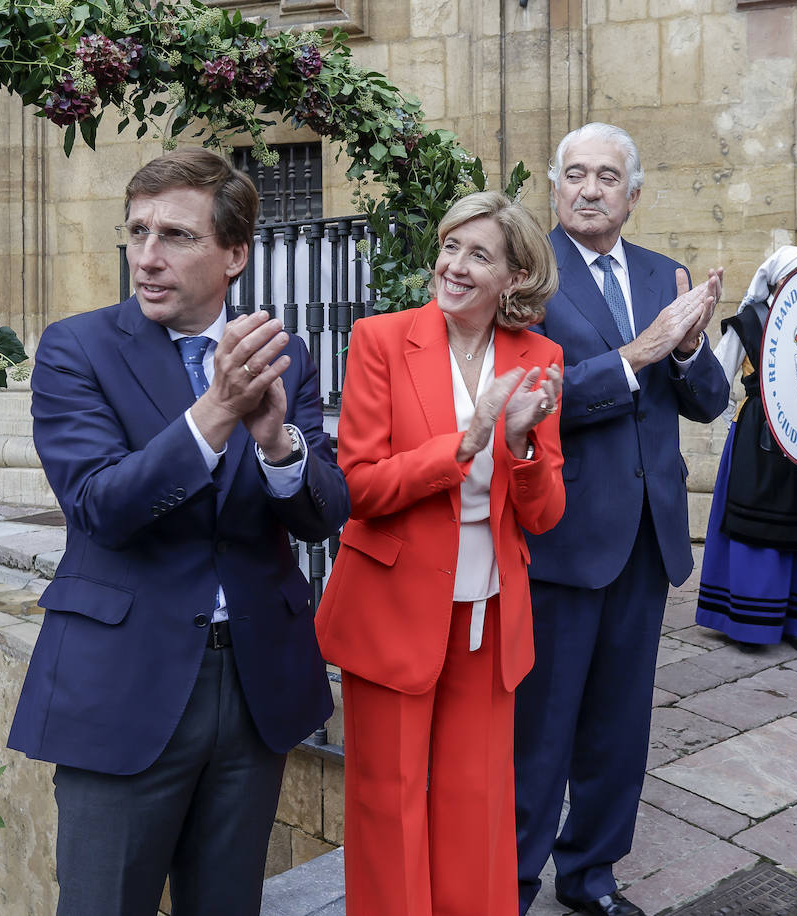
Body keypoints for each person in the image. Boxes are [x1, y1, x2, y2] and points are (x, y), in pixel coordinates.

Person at [7, 148, 349, 916]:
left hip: (255, 682)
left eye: (176, 236)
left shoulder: (283, 355)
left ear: (234, 254)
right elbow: (100, 505)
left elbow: (323, 513)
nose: (148, 258)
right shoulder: (76, 348)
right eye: (137, 232)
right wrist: (215, 413)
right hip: (123, 684)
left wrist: (278, 446)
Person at [315, 191, 566, 916]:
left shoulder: (540, 357)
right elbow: (358, 488)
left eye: (477, 254)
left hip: (489, 616)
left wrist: (518, 444)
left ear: (514, 276)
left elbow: (546, 514)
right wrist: (462, 442)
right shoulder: (381, 339)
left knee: (475, 804)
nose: (453, 265)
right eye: (450, 245)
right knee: (387, 805)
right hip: (393, 611)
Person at [514, 122, 730, 916]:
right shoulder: (527, 275)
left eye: (607, 176)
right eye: (575, 174)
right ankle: (511, 878)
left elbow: (709, 403)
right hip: (562, 536)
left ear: (633, 195)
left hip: (646, 538)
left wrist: (685, 348)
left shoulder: (662, 274)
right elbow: (534, 399)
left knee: (618, 726)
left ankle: (591, 874)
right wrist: (640, 353)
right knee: (541, 727)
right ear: (555, 186)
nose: (590, 189)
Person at [695, 245, 797, 656]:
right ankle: (751, 618)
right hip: (757, 438)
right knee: (757, 523)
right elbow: (714, 379)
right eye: (796, 276)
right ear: (777, 282)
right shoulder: (748, 321)